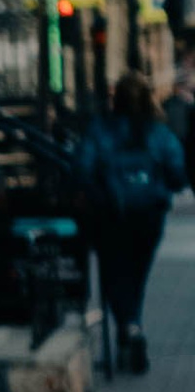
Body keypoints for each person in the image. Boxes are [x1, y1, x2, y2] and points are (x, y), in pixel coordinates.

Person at [76, 69, 184, 374]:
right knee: (137, 273)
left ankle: (129, 325)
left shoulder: (100, 130)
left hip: (111, 213)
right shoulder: (158, 132)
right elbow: (177, 173)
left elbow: (82, 168)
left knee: (114, 273)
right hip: (150, 214)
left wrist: (95, 194)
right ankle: (132, 325)